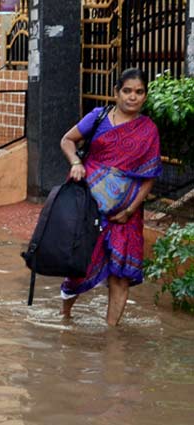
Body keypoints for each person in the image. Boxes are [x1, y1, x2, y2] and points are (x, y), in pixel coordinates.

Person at [59, 68, 162, 326]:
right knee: (79, 267)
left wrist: (130, 210)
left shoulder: (148, 131)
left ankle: (111, 334)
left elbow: (149, 177)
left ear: (145, 97)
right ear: (116, 92)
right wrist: (75, 163)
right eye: (127, 91)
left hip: (126, 215)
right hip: (89, 209)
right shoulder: (98, 117)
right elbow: (67, 140)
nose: (132, 97)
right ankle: (65, 318)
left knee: (120, 275)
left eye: (139, 92)